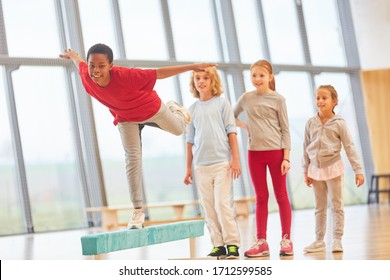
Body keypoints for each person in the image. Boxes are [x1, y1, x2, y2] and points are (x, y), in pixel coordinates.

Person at [59, 43, 217, 229]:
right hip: (126, 118)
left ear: (111, 65)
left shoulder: (127, 76)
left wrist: (191, 67)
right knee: (132, 158)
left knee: (178, 130)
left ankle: (176, 110)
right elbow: (80, 64)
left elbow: (159, 73)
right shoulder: (86, 75)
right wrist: (73, 55)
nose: (96, 70)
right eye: (92, 65)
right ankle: (137, 211)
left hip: (150, 109)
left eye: (101, 66)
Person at [234, 59, 293, 257]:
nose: (257, 79)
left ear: (270, 77)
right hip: (254, 154)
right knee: (261, 198)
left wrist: (286, 158)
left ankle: (286, 240)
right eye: (254, 75)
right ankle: (261, 242)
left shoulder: (279, 100)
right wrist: (245, 126)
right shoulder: (246, 98)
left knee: (281, 196)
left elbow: (285, 130)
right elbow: (230, 117)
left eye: (261, 75)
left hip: (276, 153)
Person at [183, 67, 241, 259]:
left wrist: (235, 159)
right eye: (198, 78)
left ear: (212, 81)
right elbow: (189, 140)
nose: (201, 81)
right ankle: (218, 245)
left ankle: (232, 243)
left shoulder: (222, 104)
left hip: (222, 163)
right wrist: (188, 169)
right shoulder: (191, 110)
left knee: (222, 204)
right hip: (201, 166)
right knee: (208, 207)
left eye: (205, 78)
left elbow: (232, 132)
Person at [302, 85, 365, 253]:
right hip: (315, 170)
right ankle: (319, 240)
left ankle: (337, 239)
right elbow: (305, 147)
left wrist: (358, 170)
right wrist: (305, 170)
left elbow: (350, 147)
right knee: (319, 207)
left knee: (337, 206)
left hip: (333, 168)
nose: (320, 101)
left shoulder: (340, 124)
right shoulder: (310, 123)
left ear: (334, 101)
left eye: (324, 98)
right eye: (318, 98)